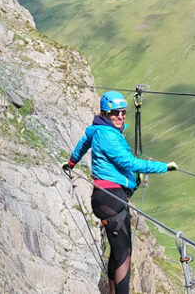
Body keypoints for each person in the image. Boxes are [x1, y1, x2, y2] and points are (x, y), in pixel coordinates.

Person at [62, 91, 177, 294]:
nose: (120, 117)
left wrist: (71, 163)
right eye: (115, 113)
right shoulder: (108, 135)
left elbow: (82, 144)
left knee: (116, 252)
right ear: (105, 113)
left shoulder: (97, 130)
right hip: (113, 198)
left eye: (123, 113)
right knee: (124, 254)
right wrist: (162, 167)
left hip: (103, 197)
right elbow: (127, 162)